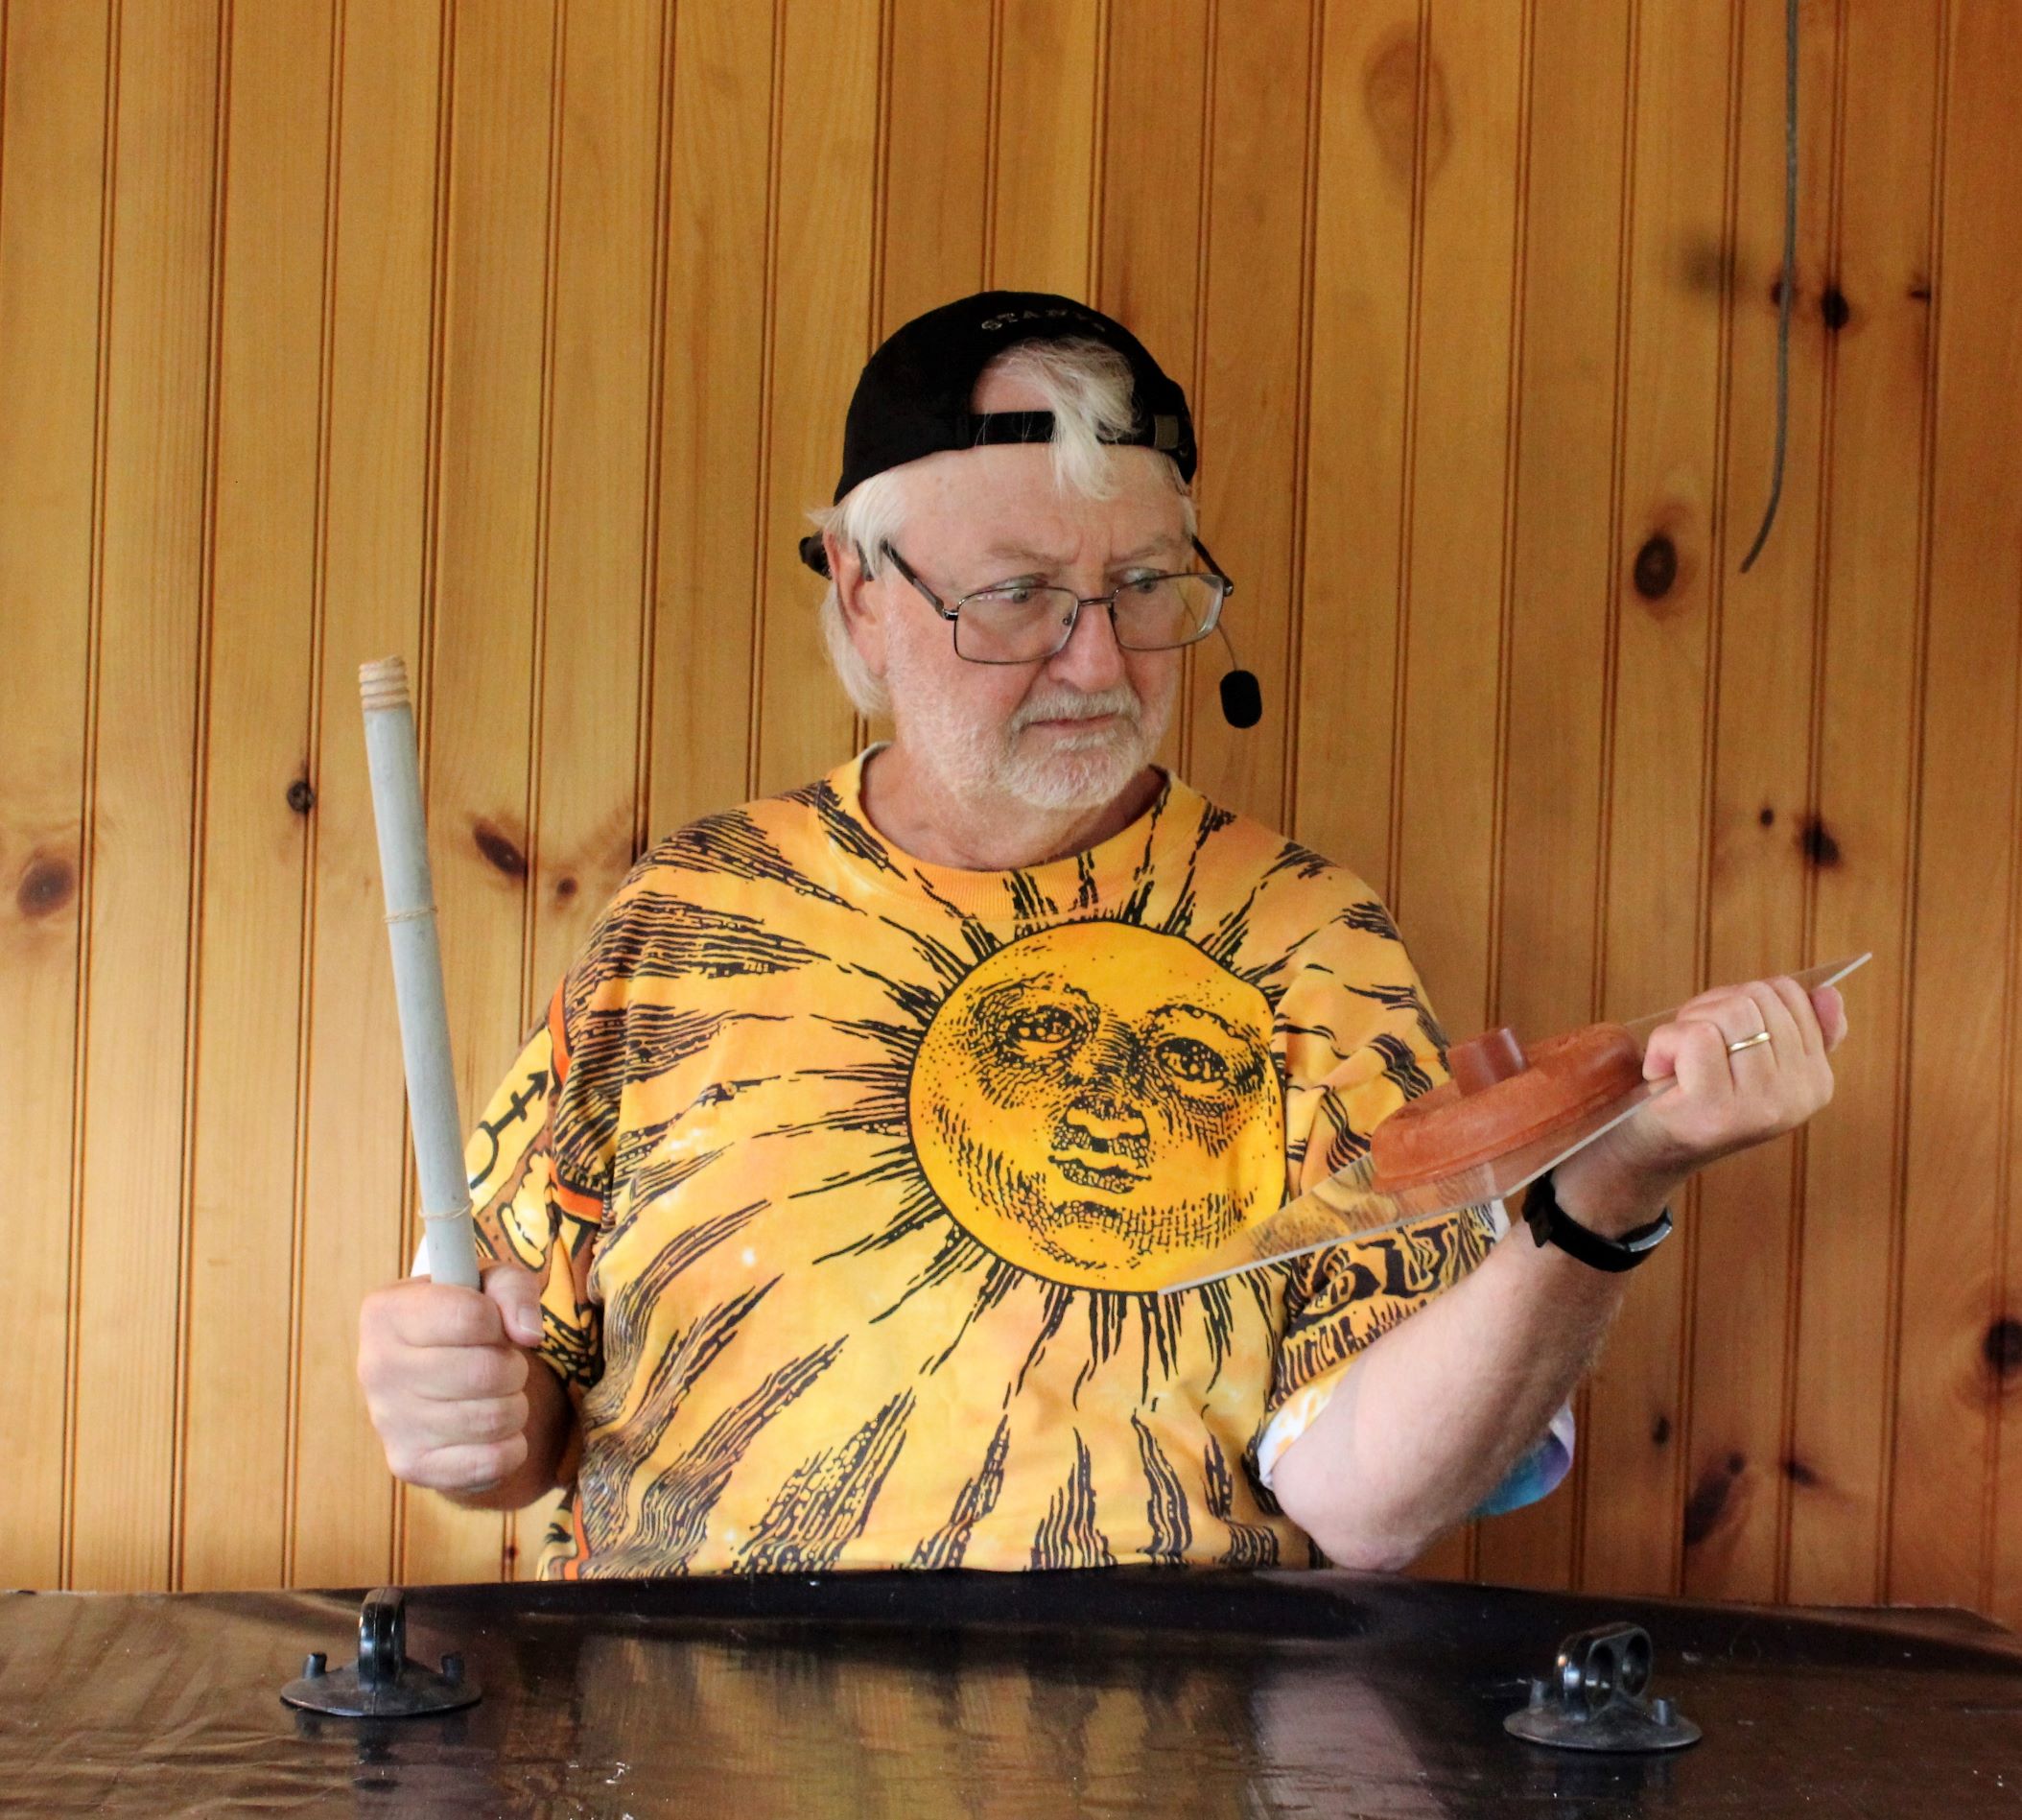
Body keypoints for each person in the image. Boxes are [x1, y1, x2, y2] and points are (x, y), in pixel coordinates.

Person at [358, 292, 1846, 1578]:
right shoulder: (689, 923)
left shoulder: (1306, 940)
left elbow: (1363, 1496)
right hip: (684, 1742)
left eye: (1146, 590)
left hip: (1177, 1740)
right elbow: (521, 1417)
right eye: (1017, 598)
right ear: (862, 593)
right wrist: (464, 1420)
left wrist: (1600, 1201)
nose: (1097, 659)